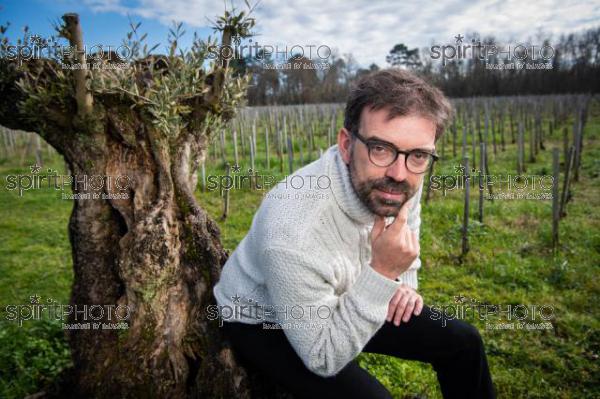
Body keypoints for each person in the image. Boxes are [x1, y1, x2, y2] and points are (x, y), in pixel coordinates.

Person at [212, 68, 496, 399]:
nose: (398, 173)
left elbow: (408, 224)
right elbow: (322, 356)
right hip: (265, 318)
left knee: (464, 343)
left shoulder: (400, 180)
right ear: (347, 145)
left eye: (418, 155)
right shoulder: (291, 229)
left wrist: (404, 283)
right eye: (380, 148)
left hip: (351, 290)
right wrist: (382, 273)